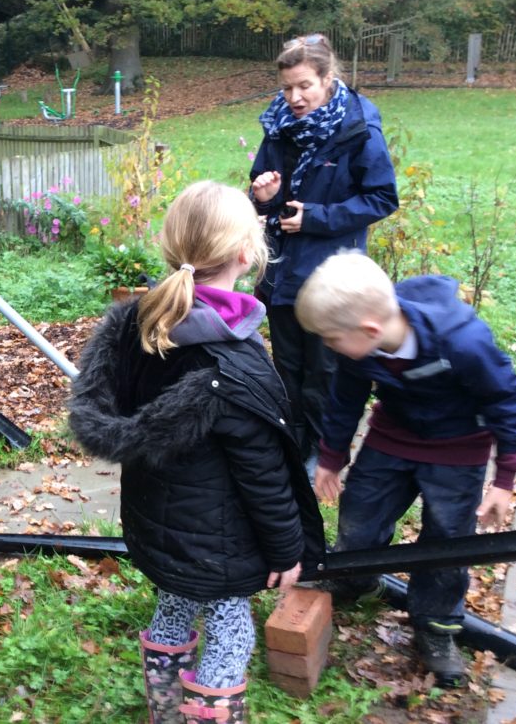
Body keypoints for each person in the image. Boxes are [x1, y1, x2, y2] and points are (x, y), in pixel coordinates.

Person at [69, 181, 325, 724]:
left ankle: (165, 712)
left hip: (158, 527)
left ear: (171, 248)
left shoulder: (142, 323)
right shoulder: (234, 363)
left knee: (174, 605)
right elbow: (264, 475)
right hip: (221, 542)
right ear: (244, 254)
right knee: (231, 635)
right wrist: (286, 550)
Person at [295, 252, 516, 687]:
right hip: (392, 436)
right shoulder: (359, 345)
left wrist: (504, 478)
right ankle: (355, 581)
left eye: (330, 339)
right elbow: (345, 398)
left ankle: (436, 626)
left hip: (459, 449)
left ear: (368, 330)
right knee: (360, 516)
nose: (327, 347)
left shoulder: (463, 342)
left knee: (447, 540)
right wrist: (331, 456)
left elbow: (509, 402)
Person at [250, 33, 398, 474]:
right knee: (287, 366)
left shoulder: (357, 129)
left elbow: (382, 198)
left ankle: (323, 452)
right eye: (287, 88)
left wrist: (316, 218)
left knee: (325, 370)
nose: (294, 98)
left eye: (304, 86)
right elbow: (262, 187)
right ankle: (291, 446)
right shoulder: (277, 125)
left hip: (331, 275)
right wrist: (264, 196)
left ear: (327, 80)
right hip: (280, 271)